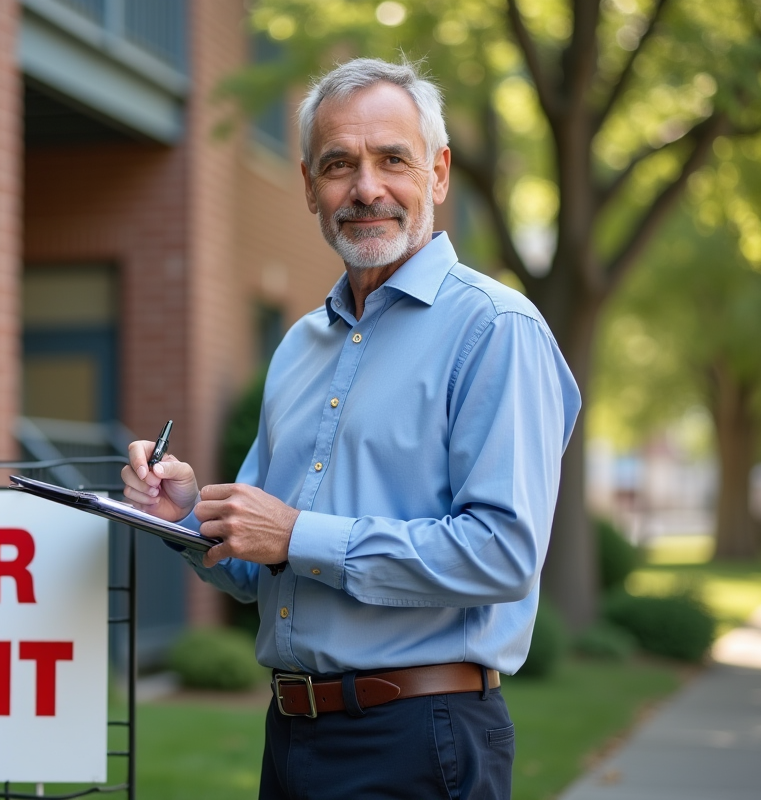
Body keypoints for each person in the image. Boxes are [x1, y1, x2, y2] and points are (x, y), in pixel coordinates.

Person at [122, 57, 580, 800]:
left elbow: (503, 554)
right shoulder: (301, 347)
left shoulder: (496, 329)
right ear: (308, 186)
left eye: (391, 159)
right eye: (339, 164)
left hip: (423, 740)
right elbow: (257, 565)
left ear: (437, 174)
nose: (365, 188)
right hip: (293, 737)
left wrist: (298, 533)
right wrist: (189, 518)